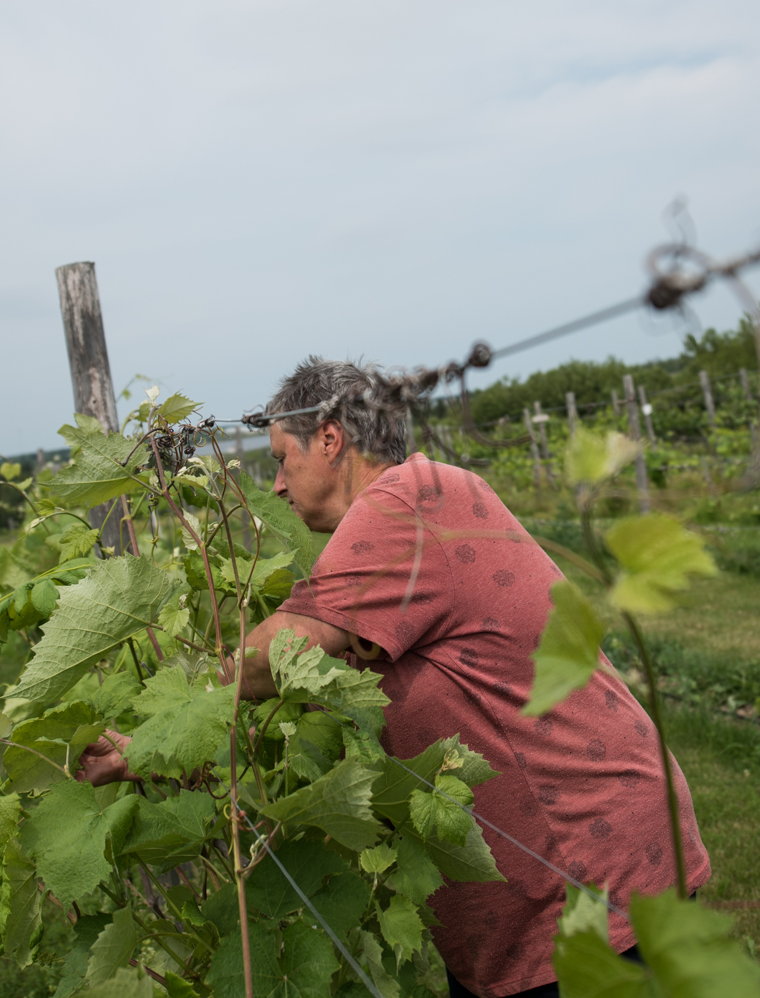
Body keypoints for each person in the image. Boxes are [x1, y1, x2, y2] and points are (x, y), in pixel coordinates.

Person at [78, 358, 710, 998]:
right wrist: (150, 754)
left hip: (588, 868)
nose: (272, 487)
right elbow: (310, 708)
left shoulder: (409, 499)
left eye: (279, 460)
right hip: (549, 880)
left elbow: (277, 657)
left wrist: (188, 695)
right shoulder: (419, 510)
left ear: (330, 438)